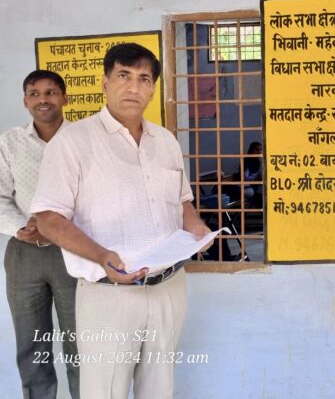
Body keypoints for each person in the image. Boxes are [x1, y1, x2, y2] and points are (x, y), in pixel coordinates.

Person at [31, 43, 212, 398]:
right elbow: (48, 218)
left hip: (168, 288)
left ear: (153, 88)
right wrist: (102, 256)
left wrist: (196, 227)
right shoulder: (73, 142)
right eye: (123, 76)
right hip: (108, 294)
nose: (133, 87)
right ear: (104, 82)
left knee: (159, 390)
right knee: (104, 392)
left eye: (144, 79)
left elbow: (183, 201)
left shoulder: (166, 141)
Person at [0, 70, 79, 398]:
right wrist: (20, 228)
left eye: (50, 92)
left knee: (81, 342)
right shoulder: (9, 142)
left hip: (75, 251)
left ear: (64, 97)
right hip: (25, 252)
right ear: (25, 100)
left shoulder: (83, 139)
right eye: (34, 93)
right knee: (32, 344)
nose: (42, 99)